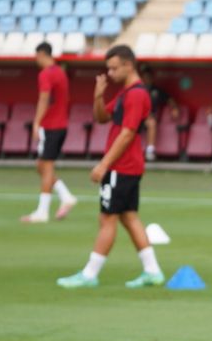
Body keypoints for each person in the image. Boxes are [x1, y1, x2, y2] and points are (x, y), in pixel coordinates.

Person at [56, 45, 165, 289]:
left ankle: (90, 274)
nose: (111, 73)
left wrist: (104, 164)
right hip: (128, 166)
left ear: (129, 65)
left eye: (114, 68)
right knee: (129, 217)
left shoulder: (136, 95)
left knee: (107, 219)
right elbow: (102, 117)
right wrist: (98, 95)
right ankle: (153, 271)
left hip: (121, 166)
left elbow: (127, 134)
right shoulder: (126, 93)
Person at [21, 41, 77, 223]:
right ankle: (66, 196)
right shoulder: (60, 72)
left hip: (51, 126)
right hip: (60, 125)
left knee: (46, 167)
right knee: (41, 165)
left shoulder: (46, 74)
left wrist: (36, 123)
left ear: (42, 55)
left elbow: (44, 99)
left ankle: (42, 212)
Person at [139, 64, 179, 163]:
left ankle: (150, 151)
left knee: (152, 123)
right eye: (145, 76)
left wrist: (174, 108)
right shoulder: (137, 89)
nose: (147, 79)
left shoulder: (156, 90)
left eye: (149, 76)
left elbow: (170, 100)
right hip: (136, 117)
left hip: (149, 118)